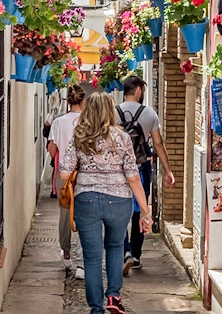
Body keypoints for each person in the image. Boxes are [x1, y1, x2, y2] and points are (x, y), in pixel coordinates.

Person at [60, 93, 151, 314]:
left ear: (88, 110)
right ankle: (113, 296)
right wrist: (146, 211)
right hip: (119, 201)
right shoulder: (122, 137)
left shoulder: (79, 136)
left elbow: (63, 173)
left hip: (87, 200)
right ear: (110, 110)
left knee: (92, 256)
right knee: (115, 247)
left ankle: (96, 309)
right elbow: (132, 176)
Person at [115, 75, 174, 274]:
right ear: (139, 90)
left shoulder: (113, 113)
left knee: (119, 211)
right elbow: (157, 144)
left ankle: (125, 251)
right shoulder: (149, 114)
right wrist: (168, 170)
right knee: (140, 210)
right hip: (141, 169)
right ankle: (137, 255)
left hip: (118, 171)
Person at [46, 85, 86, 271]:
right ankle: (83, 260)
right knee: (87, 214)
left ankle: (67, 252)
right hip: (85, 172)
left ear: (68, 101)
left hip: (65, 173)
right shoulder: (89, 122)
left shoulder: (58, 122)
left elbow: (52, 150)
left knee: (64, 212)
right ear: (83, 101)